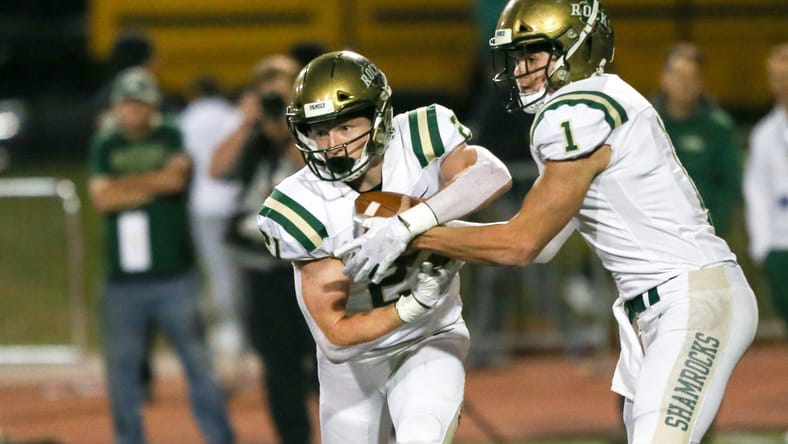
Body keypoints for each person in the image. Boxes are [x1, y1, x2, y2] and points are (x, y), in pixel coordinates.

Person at [336, 1, 759, 443]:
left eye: (532, 56)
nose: (520, 70)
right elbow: (544, 243)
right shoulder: (600, 100)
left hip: (690, 298)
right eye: (516, 58)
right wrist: (430, 237)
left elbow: (522, 243)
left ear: (578, 49)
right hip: (661, 305)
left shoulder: (577, 112)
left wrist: (410, 232)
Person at [256, 50, 512, 443]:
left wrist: (410, 225)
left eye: (345, 127)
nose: (332, 145)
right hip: (353, 365)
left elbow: (492, 173)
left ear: (379, 118)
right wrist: (413, 304)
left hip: (430, 338)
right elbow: (336, 339)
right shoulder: (298, 205)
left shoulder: (419, 136)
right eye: (319, 131)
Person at [88, 66, 235, 444]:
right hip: (122, 281)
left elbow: (174, 180)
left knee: (199, 365)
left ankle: (220, 437)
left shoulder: (171, 133)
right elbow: (102, 199)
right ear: (116, 106)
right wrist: (153, 183)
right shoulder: (105, 143)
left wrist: (123, 186)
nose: (133, 109)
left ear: (152, 105)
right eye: (127, 102)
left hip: (175, 275)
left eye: (140, 102)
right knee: (122, 373)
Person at [210, 55, 316, 444]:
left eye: (281, 95)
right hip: (261, 266)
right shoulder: (252, 137)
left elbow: (318, 169)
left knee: (326, 357)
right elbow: (216, 169)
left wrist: (289, 131)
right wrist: (246, 124)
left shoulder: (314, 130)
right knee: (276, 361)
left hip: (310, 265)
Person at [179, 75, 246, 383]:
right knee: (237, 276)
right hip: (236, 203)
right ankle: (236, 342)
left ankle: (228, 344)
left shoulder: (188, 117)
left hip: (204, 205)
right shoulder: (232, 115)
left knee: (218, 275)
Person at [652, 42, 742, 238]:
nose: (685, 84)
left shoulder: (718, 127)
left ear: (702, 82)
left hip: (705, 235)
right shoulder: (646, 123)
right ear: (664, 78)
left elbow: (729, 186)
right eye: (679, 76)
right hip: (655, 233)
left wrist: (711, 230)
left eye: (692, 77)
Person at [744, 42, 788, 334]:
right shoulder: (763, 134)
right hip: (780, 242)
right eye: (779, 78)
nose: (784, 85)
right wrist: (762, 247)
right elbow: (756, 192)